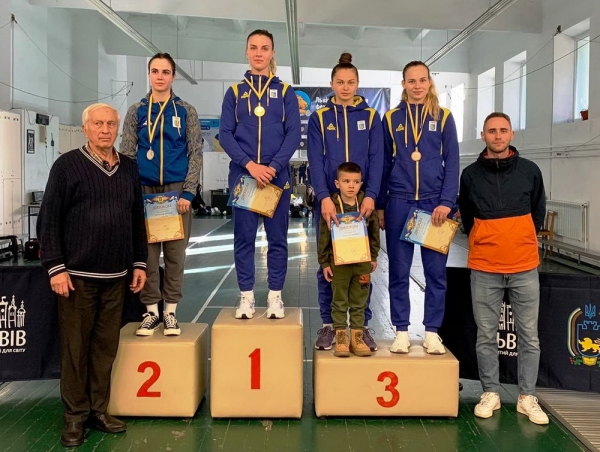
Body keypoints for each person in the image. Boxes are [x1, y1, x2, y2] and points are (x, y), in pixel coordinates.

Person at [37, 103, 148, 447]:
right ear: (85, 129)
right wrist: (55, 267)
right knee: (75, 350)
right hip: (76, 278)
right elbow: (49, 220)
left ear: (118, 128)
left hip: (116, 277)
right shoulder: (67, 166)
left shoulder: (129, 168)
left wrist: (140, 262)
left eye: (111, 124)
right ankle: (75, 416)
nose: (105, 129)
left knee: (104, 348)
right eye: (98, 123)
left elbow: (136, 219)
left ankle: (99, 410)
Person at [459, 112, 549, 425]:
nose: (497, 136)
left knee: (529, 337)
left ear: (511, 135)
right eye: (491, 131)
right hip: (485, 267)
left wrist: (519, 237)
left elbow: (537, 212)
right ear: (483, 135)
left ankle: (527, 397)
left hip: (524, 267)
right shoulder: (470, 175)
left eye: (503, 130)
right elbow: (467, 217)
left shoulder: (530, 171)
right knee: (486, 335)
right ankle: (490, 392)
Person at [377, 60, 459, 355]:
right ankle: (401, 330)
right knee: (398, 271)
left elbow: (453, 162)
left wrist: (446, 202)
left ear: (429, 82)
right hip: (399, 202)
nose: (417, 86)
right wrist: (381, 204)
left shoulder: (444, 116)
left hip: (433, 204)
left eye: (422, 80)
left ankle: (432, 332)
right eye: (411, 81)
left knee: (435, 273)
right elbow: (383, 163)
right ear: (404, 84)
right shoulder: (391, 118)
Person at [219, 29, 301, 319]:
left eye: (264, 48)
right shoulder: (234, 93)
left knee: (277, 240)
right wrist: (250, 165)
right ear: (246, 51)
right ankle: (246, 297)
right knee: (244, 240)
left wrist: (274, 167)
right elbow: (225, 134)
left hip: (276, 178)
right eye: (253, 47)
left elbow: (293, 134)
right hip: (245, 177)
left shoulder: (286, 92)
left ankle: (275, 297)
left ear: (272, 52)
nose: (258, 53)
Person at [121, 52, 203, 336]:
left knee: (175, 256)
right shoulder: (136, 111)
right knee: (147, 256)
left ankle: (170, 313)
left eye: (165, 72)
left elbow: (195, 153)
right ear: (149, 74)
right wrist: (130, 193)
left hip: (176, 193)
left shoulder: (186, 111)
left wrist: (189, 192)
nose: (160, 76)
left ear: (173, 76)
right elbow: (127, 154)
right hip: (144, 192)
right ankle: (151, 312)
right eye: (155, 71)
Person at [307, 52, 383, 352]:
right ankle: (330, 326)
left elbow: (377, 158)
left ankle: (361, 328)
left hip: (361, 202)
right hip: (331, 202)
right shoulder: (319, 118)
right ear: (332, 84)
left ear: (357, 84)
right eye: (340, 82)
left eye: (351, 82)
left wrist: (372, 195)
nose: (346, 87)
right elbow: (315, 160)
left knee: (361, 265)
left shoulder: (371, 117)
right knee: (328, 264)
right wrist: (324, 197)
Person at [318, 162, 380, 357]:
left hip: (361, 263)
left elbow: (374, 232)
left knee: (359, 301)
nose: (351, 185)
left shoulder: (366, 205)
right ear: (337, 183)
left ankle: (357, 338)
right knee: (339, 301)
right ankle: (342, 339)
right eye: (346, 181)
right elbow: (323, 236)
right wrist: (324, 262)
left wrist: (373, 256)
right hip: (339, 264)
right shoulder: (331, 206)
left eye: (355, 182)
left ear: (361, 183)